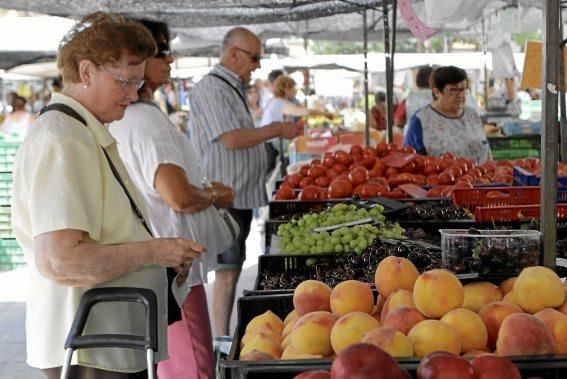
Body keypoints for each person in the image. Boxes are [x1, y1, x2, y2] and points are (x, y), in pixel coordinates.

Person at [11, 12, 205, 378]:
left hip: (105, 342)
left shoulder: (80, 131)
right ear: (87, 72)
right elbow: (61, 261)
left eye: (138, 82)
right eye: (126, 81)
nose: (134, 95)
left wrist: (158, 258)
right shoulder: (62, 138)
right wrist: (154, 251)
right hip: (90, 347)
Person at [109, 19, 235, 379]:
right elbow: (177, 195)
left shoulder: (125, 119)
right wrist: (214, 195)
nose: (170, 59)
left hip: (157, 266)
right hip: (175, 268)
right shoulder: (145, 123)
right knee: (193, 366)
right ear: (134, 60)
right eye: (161, 50)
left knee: (171, 364)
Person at [188, 27, 303, 338]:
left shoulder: (231, 87)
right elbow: (233, 138)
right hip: (226, 197)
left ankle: (221, 337)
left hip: (238, 195)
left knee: (233, 266)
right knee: (226, 272)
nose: (258, 65)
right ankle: (220, 340)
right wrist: (277, 129)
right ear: (233, 53)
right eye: (254, 57)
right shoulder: (213, 89)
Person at [403, 65, 492, 164]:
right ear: (437, 92)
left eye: (463, 89)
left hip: (482, 178)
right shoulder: (421, 120)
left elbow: (487, 151)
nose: (461, 95)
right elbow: (409, 161)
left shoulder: (473, 115)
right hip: (442, 179)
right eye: (453, 90)